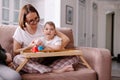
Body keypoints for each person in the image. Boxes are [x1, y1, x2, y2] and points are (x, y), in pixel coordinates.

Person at [13, 4, 79, 74]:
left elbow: (66, 39)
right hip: (29, 60)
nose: (35, 22)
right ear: (24, 21)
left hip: (46, 59)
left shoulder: (45, 28)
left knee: (74, 57)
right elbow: (16, 51)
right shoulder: (20, 31)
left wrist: (53, 48)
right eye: (31, 21)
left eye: (36, 18)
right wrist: (28, 47)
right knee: (17, 59)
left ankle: (43, 69)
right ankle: (54, 70)